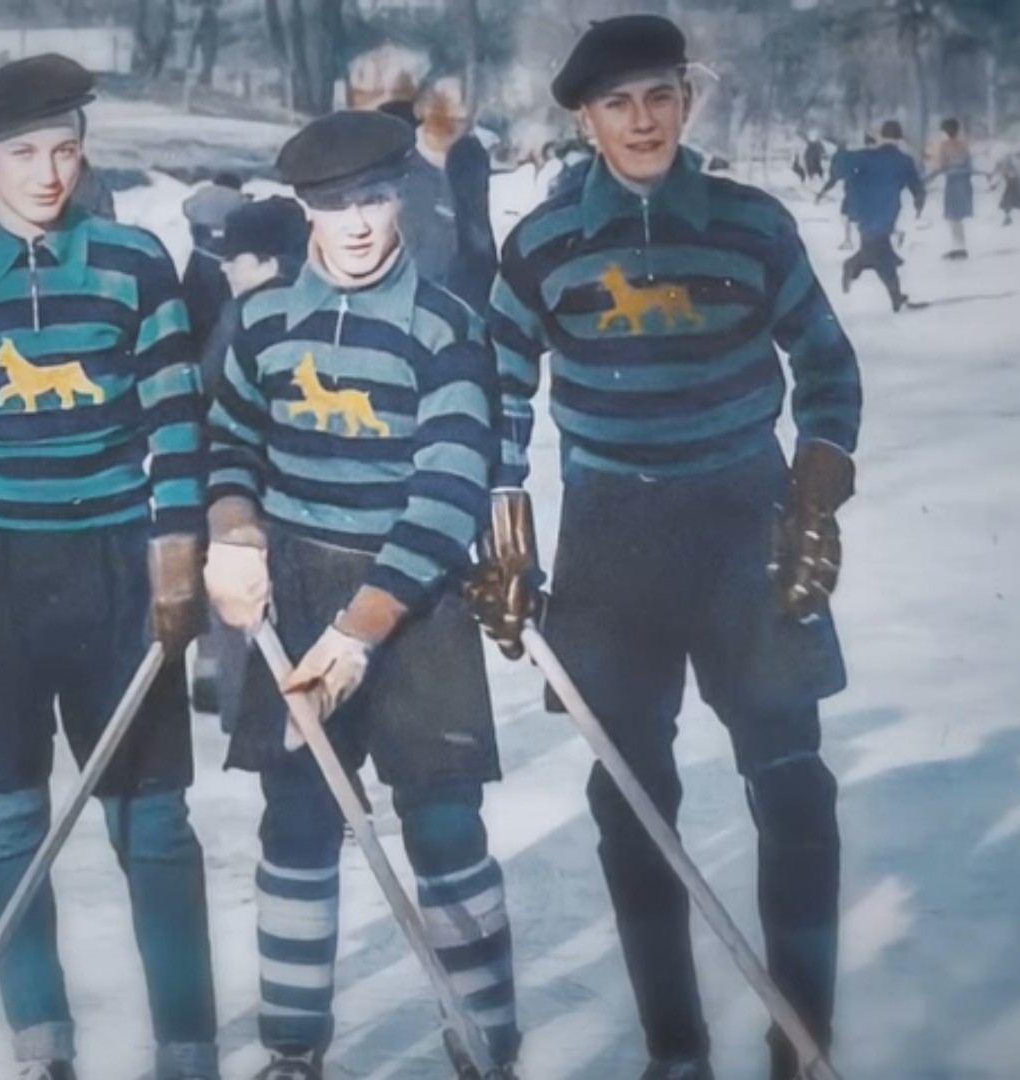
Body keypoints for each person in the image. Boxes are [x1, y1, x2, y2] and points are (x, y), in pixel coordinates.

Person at [469, 15, 861, 1080]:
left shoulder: (753, 225)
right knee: (630, 799)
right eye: (616, 104)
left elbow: (827, 366)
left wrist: (815, 492)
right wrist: (505, 531)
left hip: (745, 522)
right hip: (612, 537)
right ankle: (673, 1051)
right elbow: (497, 392)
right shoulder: (542, 244)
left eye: (658, 96)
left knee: (794, 788)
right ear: (584, 121)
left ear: (686, 100)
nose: (641, 121)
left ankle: (801, 1039)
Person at [0, 54, 218, 1080]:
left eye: (65, 150)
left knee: (153, 822)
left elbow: (176, 422)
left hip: (119, 567)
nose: (47, 174)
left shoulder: (134, 263)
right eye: (23, 152)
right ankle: (43, 1046)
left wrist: (177, 562)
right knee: (5, 822)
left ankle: (187, 1050)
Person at [205, 110, 520, 1080]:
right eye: (333, 204)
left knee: (443, 823)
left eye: (373, 200)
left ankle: (485, 1043)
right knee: (298, 819)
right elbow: (230, 441)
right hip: (295, 586)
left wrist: (362, 631)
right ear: (304, 208)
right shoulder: (262, 320)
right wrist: (234, 530)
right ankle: (292, 1049)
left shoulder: (446, 326)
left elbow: (448, 492)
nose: (354, 223)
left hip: (411, 596)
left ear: (401, 199)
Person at [191, 195, 308, 726]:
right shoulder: (319, 303)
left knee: (238, 602)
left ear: (267, 262)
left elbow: (209, 387)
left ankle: (242, 709)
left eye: (234, 257)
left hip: (240, 487)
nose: (223, 267)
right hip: (296, 496)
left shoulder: (245, 314)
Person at [394, 61, 499, 313]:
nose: (459, 113)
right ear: (421, 107)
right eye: (446, 102)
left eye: (464, 102)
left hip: (475, 307)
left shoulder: (476, 159)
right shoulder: (397, 165)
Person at [841, 120, 925, 312]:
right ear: (900, 138)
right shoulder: (904, 161)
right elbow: (917, 187)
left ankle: (896, 297)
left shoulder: (865, 157)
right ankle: (853, 265)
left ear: (881, 136)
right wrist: (919, 204)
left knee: (881, 254)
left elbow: (849, 178)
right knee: (878, 253)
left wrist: (852, 207)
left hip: (865, 211)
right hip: (887, 211)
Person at [183, 177, 246, 355]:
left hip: (200, 252)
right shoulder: (240, 200)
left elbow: (186, 208)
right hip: (225, 258)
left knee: (193, 301)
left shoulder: (202, 194)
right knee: (219, 305)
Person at [928, 117, 975, 258]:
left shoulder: (944, 146)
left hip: (953, 183)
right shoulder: (964, 144)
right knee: (957, 217)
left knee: (953, 216)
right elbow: (968, 163)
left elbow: (941, 165)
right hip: (964, 182)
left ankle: (959, 247)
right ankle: (960, 246)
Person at [817, 139, 864, 250]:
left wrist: (822, 192)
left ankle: (849, 241)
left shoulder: (838, 157)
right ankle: (894, 233)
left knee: (846, 215)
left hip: (852, 190)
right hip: (862, 188)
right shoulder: (854, 155)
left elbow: (834, 178)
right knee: (862, 216)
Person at [990, 148, 1020, 226]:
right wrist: (995, 185)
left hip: (1014, 184)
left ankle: (1007, 218)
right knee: (1007, 203)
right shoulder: (1006, 161)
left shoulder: (1007, 161)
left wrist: (995, 185)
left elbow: (1002, 174)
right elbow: (1001, 175)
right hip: (1012, 184)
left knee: (1008, 202)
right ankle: (1007, 218)